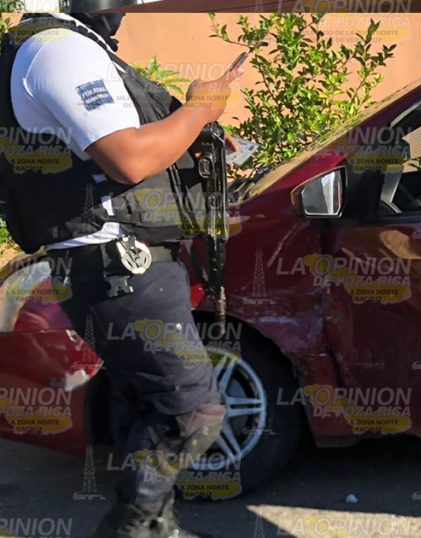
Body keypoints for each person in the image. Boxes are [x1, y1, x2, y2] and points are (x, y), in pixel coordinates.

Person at [0, 8, 242, 538]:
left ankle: (159, 526)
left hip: (121, 264)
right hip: (117, 265)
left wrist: (191, 133)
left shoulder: (71, 47)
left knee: (145, 403)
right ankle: (130, 527)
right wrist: (199, 110)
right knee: (193, 410)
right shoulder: (59, 49)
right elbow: (129, 159)